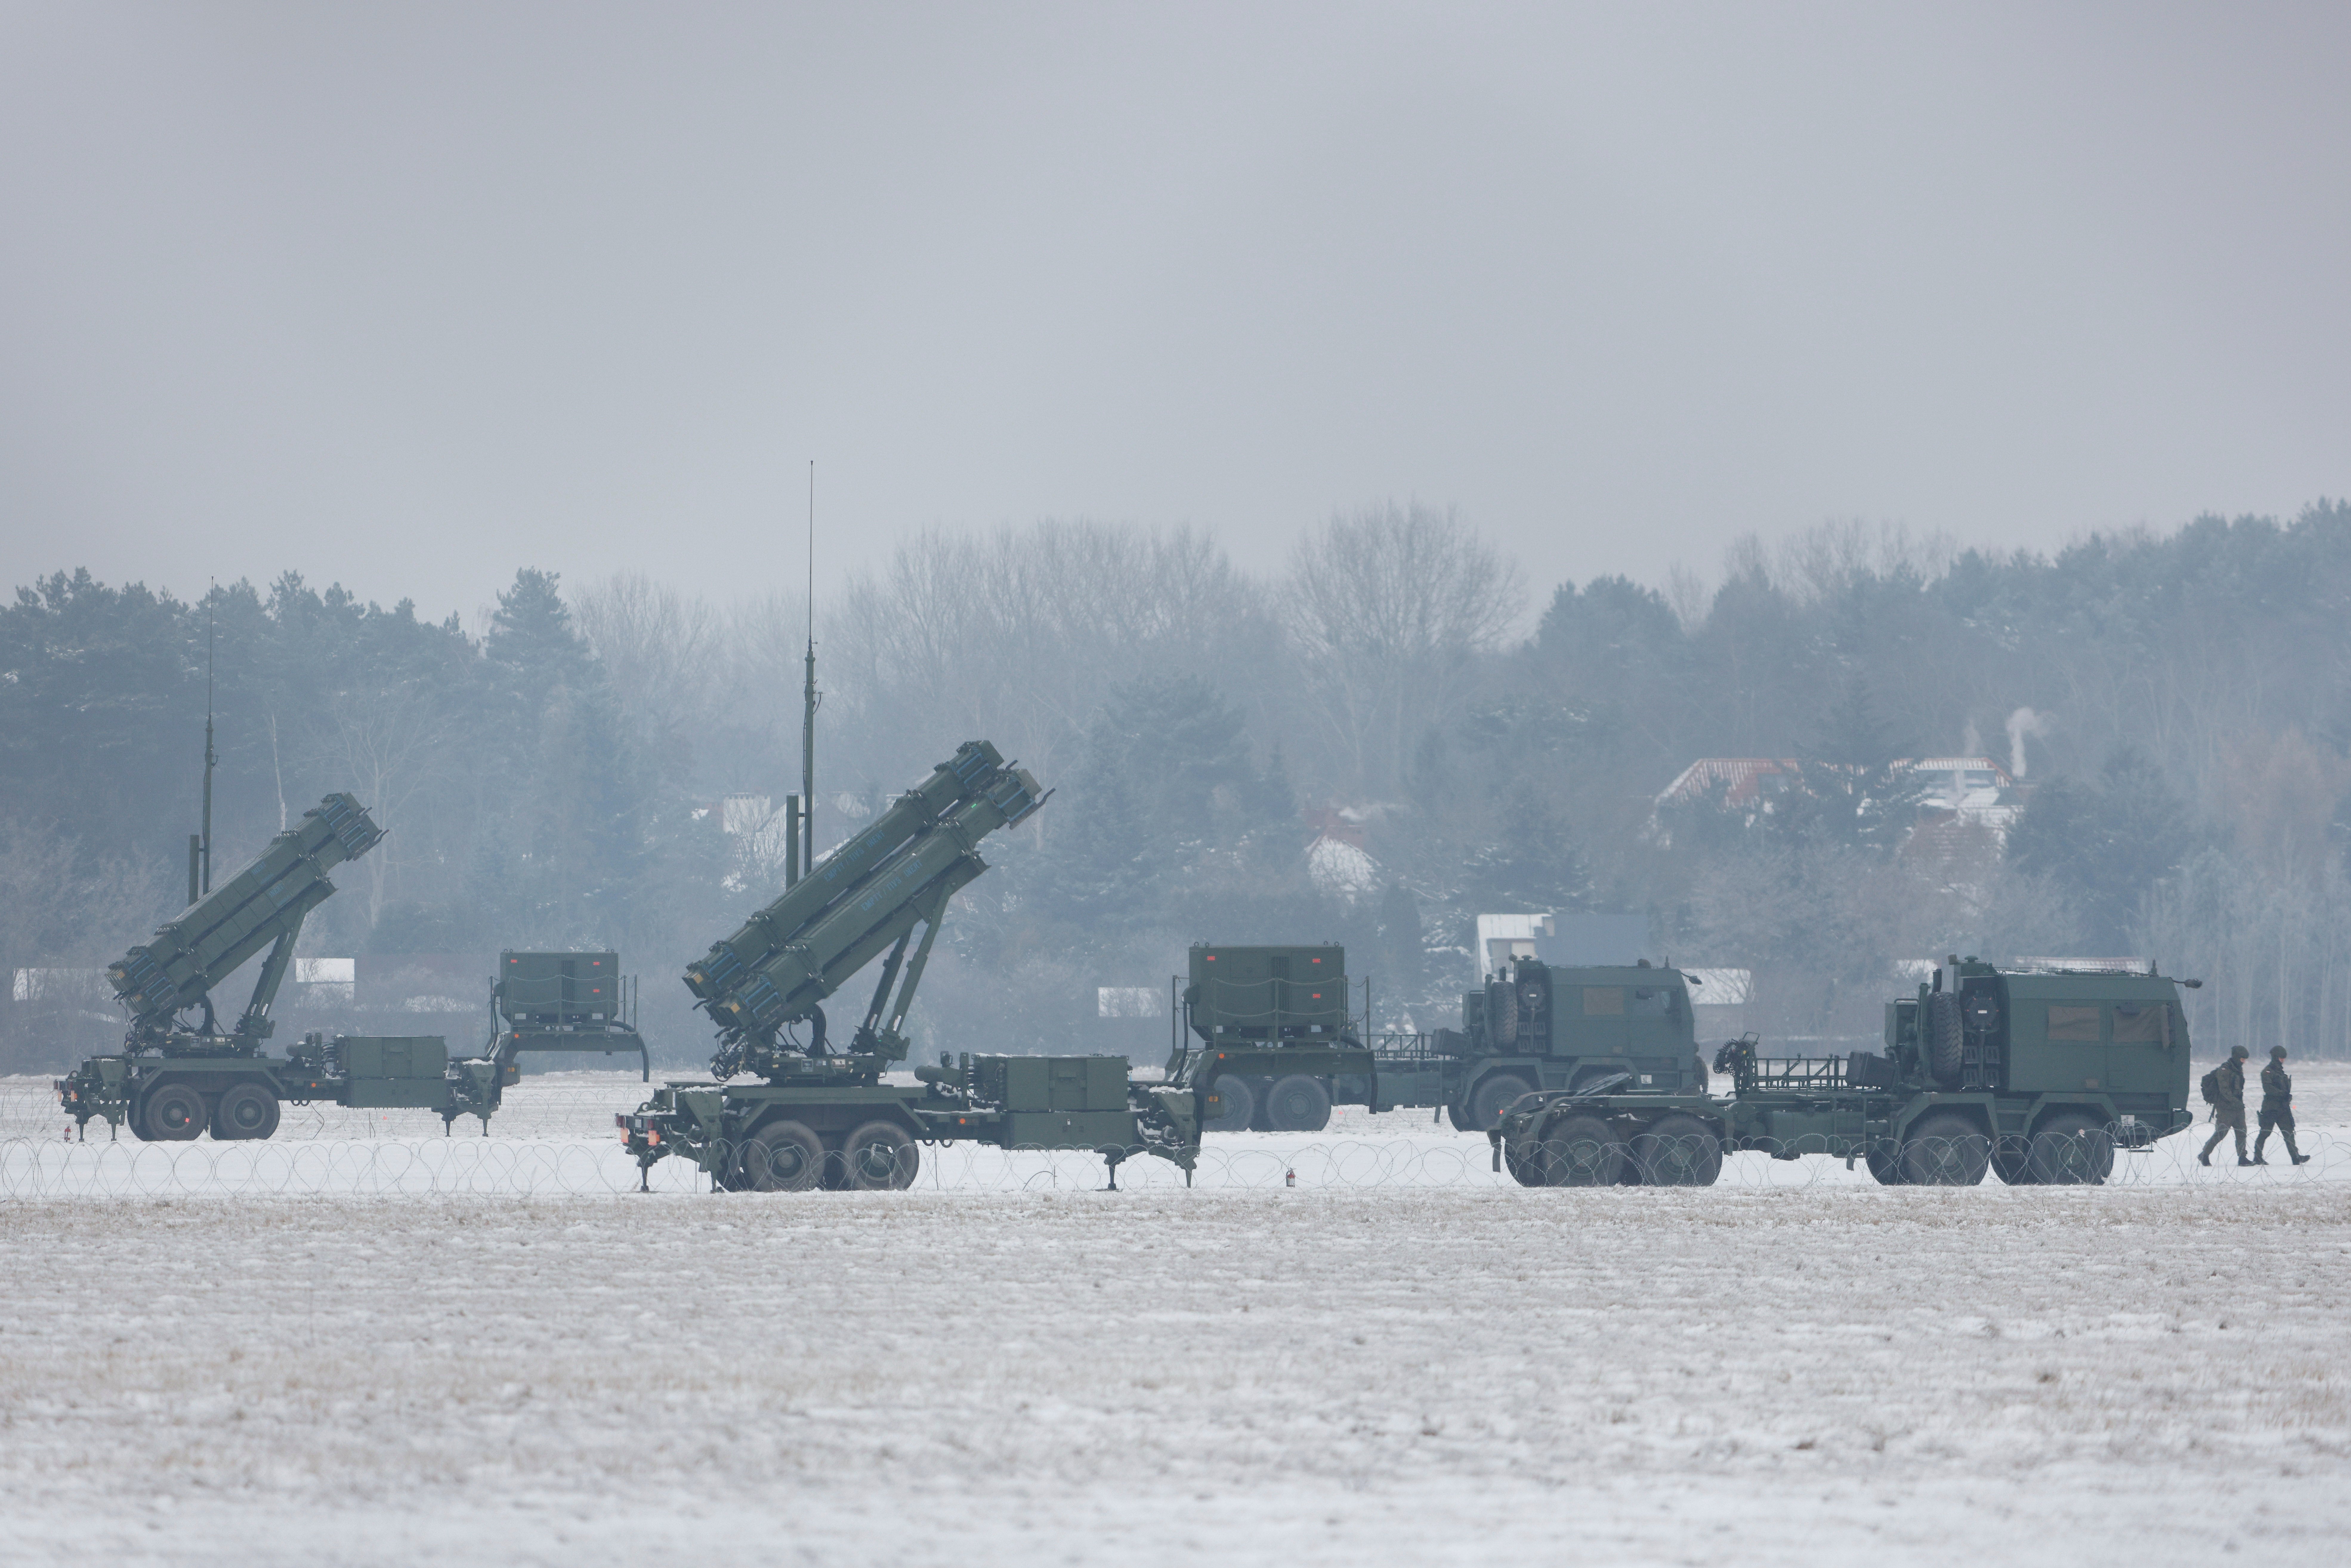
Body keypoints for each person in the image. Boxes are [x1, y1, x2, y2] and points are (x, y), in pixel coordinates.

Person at [2253, 1045, 2312, 1167]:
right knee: (2265, 1133)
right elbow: (2268, 1088)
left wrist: (2287, 1096)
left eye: (2284, 1058)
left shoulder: (2281, 1073)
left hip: (2283, 1108)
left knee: (2289, 1132)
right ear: (2275, 1057)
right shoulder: (2268, 1071)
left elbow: (2284, 1090)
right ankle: (2257, 1157)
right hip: (2271, 1108)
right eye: (2281, 1058)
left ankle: (2296, 1157)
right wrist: (2282, 1094)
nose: (2283, 1060)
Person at [2199, 1044, 2251, 1167]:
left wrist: (2238, 1103)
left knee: (2242, 1132)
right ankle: (2205, 1155)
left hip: (2237, 1107)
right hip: (2225, 1108)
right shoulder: (2224, 1071)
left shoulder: (2238, 1070)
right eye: (2242, 1060)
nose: (2243, 1062)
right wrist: (2234, 1101)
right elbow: (2224, 1090)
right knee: (2221, 1133)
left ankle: (2242, 1157)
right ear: (2237, 1058)